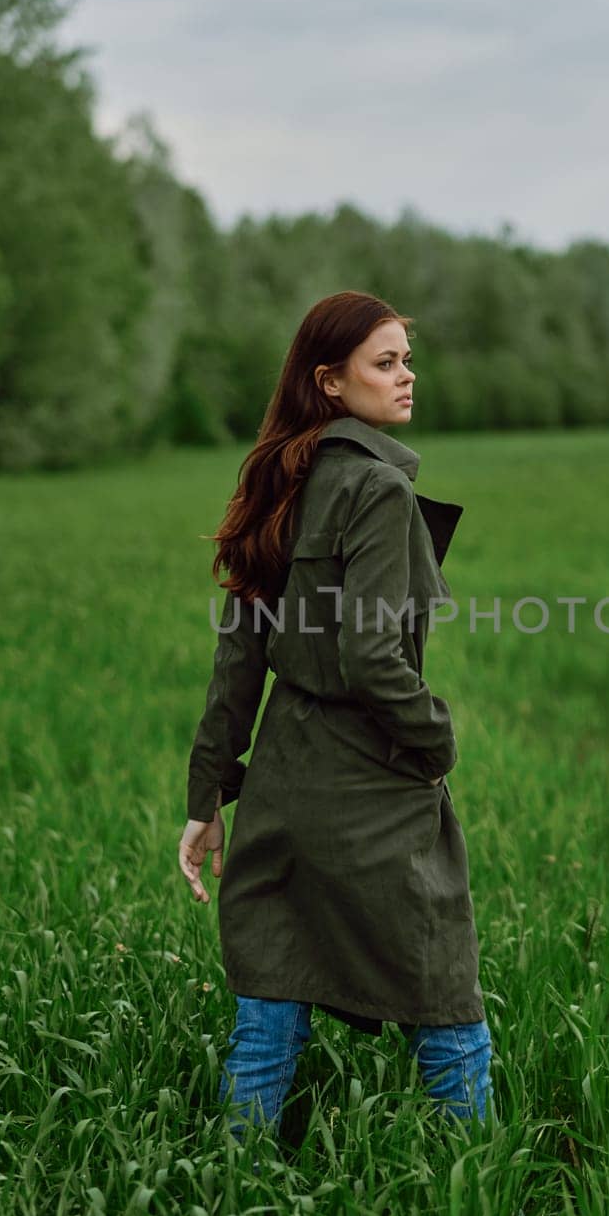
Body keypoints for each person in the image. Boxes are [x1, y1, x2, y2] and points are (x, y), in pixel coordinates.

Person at [177, 290, 493, 1145]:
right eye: (384, 362)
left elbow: (240, 654)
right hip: (373, 784)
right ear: (329, 380)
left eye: (405, 359)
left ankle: (229, 1199)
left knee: (272, 999)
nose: (406, 377)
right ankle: (478, 1197)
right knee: (446, 1000)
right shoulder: (377, 491)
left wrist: (208, 794)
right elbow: (371, 658)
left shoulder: (277, 481)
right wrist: (434, 739)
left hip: (282, 783)